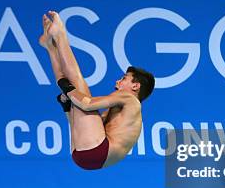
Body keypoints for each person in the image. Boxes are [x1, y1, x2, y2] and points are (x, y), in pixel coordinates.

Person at [39, 11, 154, 170]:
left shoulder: (129, 99)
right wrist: (67, 106)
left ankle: (60, 36)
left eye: (124, 78)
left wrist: (68, 89)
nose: (118, 81)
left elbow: (87, 104)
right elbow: (82, 123)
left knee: (79, 85)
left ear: (136, 86)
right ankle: (51, 48)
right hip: (86, 155)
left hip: (96, 151)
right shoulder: (123, 110)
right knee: (74, 92)